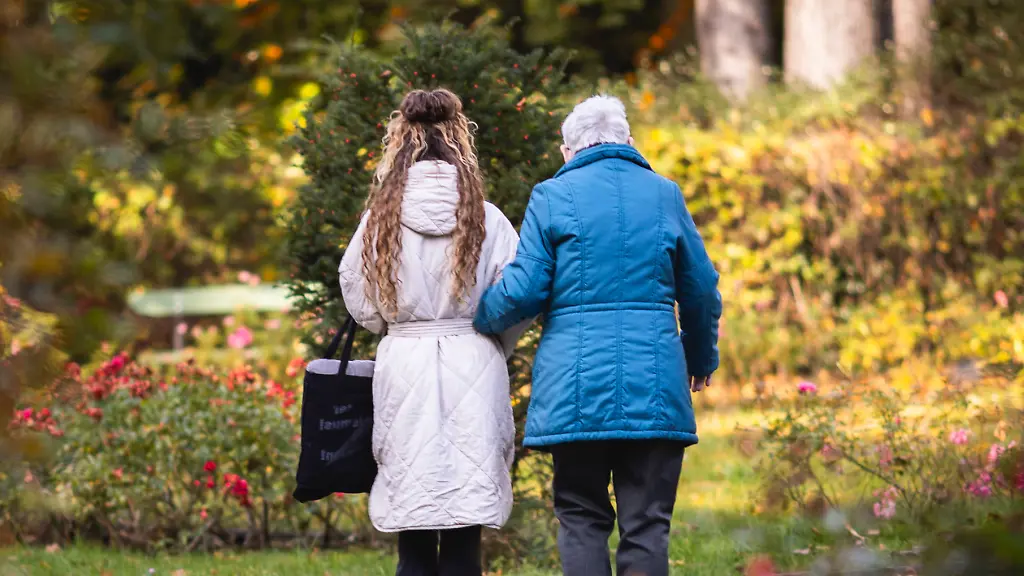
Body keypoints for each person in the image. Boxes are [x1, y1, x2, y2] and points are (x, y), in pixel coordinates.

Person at [473, 95, 722, 576]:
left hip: (574, 387)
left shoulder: (551, 196)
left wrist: (476, 320)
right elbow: (702, 290)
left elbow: (524, 291)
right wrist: (699, 358)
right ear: (629, 142)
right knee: (648, 523)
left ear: (568, 151)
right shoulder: (665, 193)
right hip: (654, 385)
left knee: (582, 518)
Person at [339, 89, 526, 576]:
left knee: (414, 520)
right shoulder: (487, 218)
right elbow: (517, 295)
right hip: (474, 359)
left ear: (399, 140)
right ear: (459, 137)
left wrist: (390, 325)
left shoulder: (378, 222)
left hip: (405, 363)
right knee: (466, 521)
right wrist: (489, 339)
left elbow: (356, 290)